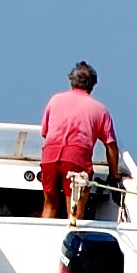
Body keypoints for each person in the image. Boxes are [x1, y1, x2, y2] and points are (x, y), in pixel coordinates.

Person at [39, 62, 118, 220]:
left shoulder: (55, 100)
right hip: (76, 160)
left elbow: (45, 133)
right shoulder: (100, 110)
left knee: (49, 205)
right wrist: (113, 175)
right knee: (74, 212)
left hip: (50, 156)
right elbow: (111, 146)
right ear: (93, 84)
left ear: (71, 80)